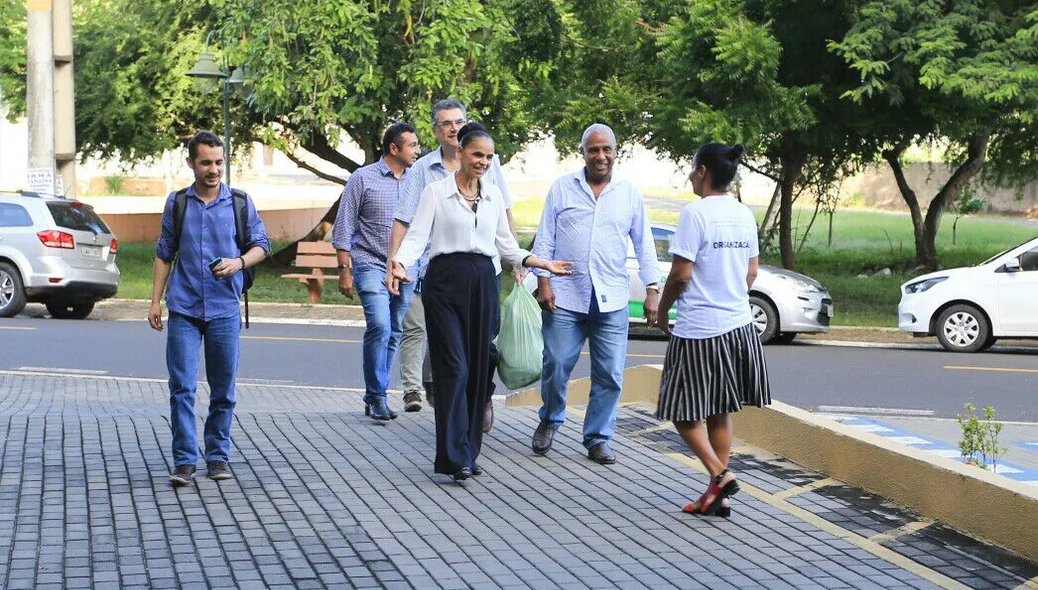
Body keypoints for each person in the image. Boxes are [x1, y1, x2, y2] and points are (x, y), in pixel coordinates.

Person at [387, 128, 572, 481]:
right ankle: (453, 455)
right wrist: (399, 262)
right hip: (445, 280)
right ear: (461, 153)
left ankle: (469, 453)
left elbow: (507, 246)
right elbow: (416, 236)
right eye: (477, 155)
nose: (483, 162)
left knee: (475, 371)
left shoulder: (493, 196)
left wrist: (539, 263)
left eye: (488, 157)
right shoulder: (436, 192)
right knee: (453, 369)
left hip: (484, 282)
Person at [650, 143, 771, 517]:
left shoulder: (695, 213)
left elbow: (681, 273)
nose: (689, 174)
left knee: (683, 413)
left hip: (700, 329)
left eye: (691, 168)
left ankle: (720, 474)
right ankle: (718, 496)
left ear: (703, 171)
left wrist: (663, 311)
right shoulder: (743, 214)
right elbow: (751, 273)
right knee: (719, 411)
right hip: (739, 327)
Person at [530, 124, 660, 465]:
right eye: (593, 150)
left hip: (611, 299)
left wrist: (652, 289)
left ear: (617, 152)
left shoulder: (629, 193)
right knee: (556, 364)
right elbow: (544, 238)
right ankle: (550, 419)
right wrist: (543, 282)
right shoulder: (562, 188)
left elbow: (644, 244)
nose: (600, 156)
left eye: (607, 150)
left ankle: (598, 438)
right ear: (583, 152)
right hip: (565, 296)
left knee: (611, 374)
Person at [388, 99, 521, 425]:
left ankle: (482, 395)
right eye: (446, 123)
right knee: (446, 340)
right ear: (436, 131)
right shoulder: (424, 169)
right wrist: (396, 263)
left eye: (458, 121)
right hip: (440, 270)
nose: (453, 127)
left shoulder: (490, 162)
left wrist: (517, 261)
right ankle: (449, 399)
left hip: (483, 269)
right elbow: (405, 222)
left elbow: (504, 213)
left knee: (486, 340)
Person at [149, 130, 270, 486]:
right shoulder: (178, 203)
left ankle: (217, 456)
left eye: (219, 162)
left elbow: (263, 244)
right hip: (184, 308)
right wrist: (155, 302)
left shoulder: (239, 202)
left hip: (224, 309)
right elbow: (163, 253)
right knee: (182, 387)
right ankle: (184, 461)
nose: (214, 169)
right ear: (191, 163)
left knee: (223, 389)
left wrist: (238, 262)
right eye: (206, 163)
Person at [332, 123, 422, 420]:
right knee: (380, 326)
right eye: (412, 145)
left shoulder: (418, 180)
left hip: (406, 268)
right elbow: (344, 225)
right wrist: (344, 270)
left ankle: (376, 396)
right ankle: (377, 395)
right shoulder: (362, 178)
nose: (418, 151)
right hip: (369, 263)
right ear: (394, 148)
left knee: (395, 330)